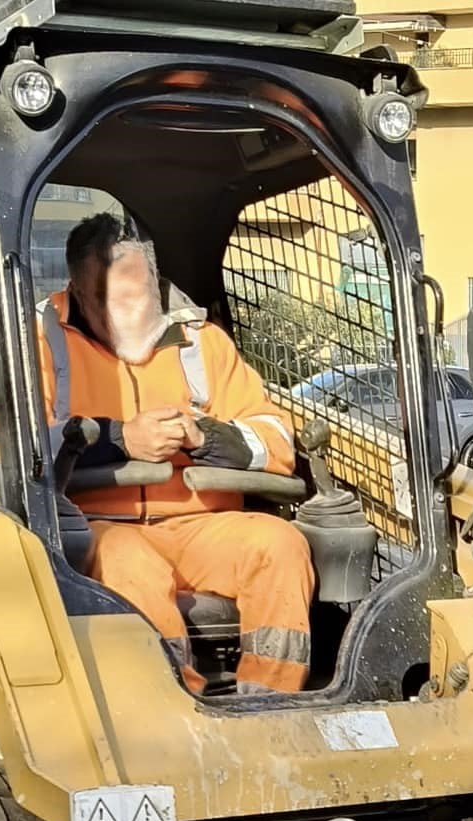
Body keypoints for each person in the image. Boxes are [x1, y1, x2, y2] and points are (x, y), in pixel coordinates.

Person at [38, 213, 314, 694]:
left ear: (155, 282)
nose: (128, 314)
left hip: (201, 526)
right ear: (78, 294)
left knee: (280, 545)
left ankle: (272, 703)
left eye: (138, 297)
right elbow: (11, 447)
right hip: (94, 525)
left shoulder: (203, 342)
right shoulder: (40, 345)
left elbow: (276, 440)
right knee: (126, 560)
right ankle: (178, 702)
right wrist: (121, 439)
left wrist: (204, 437)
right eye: (108, 301)